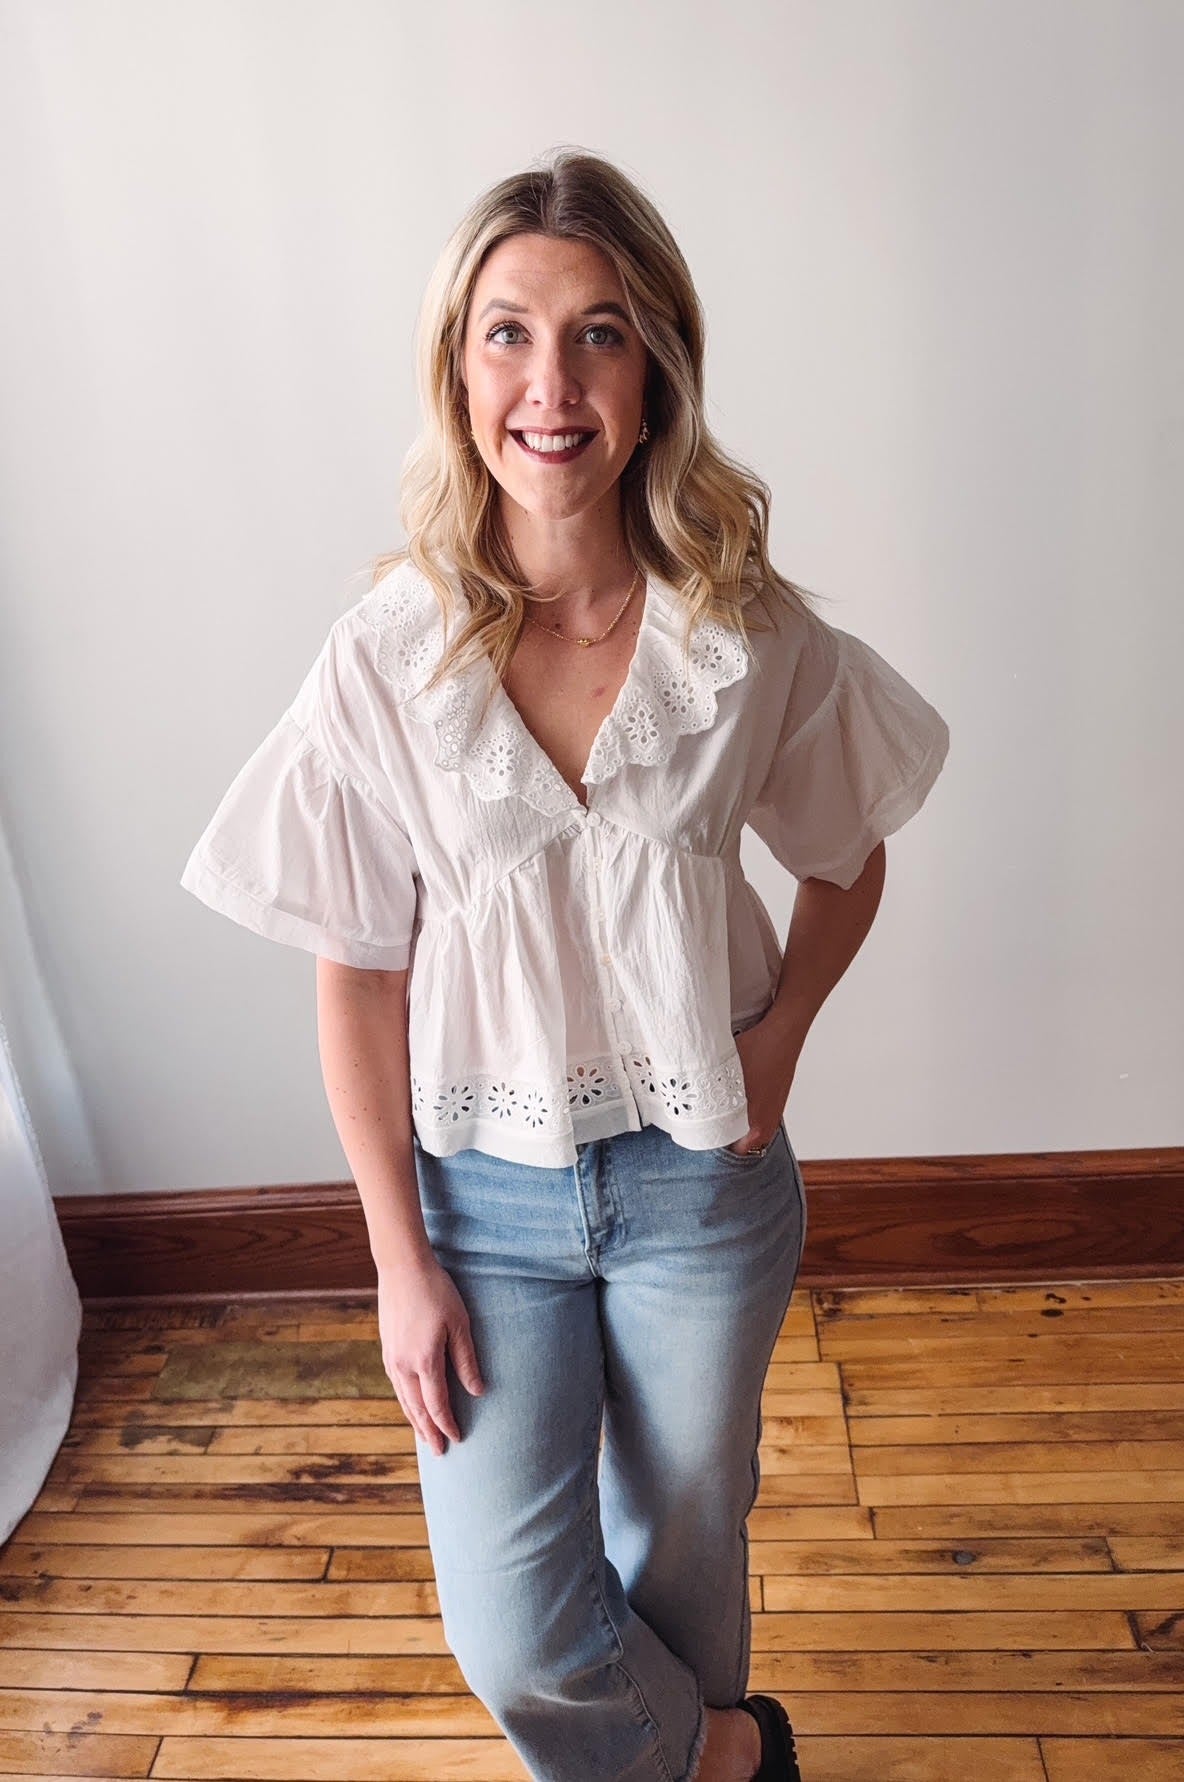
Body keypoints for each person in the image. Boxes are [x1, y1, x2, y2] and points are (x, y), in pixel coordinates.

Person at [181, 148, 949, 1782]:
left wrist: (782, 1037)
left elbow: (849, 850)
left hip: (702, 1183)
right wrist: (396, 1255)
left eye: (599, 332)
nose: (553, 383)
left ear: (655, 370)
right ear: (458, 373)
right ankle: (728, 1759)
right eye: (508, 333)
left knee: (683, 1556)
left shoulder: (742, 633)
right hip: (481, 1200)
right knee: (520, 1627)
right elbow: (359, 973)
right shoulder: (385, 658)